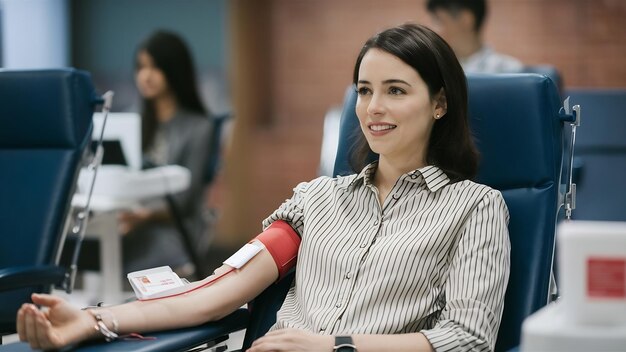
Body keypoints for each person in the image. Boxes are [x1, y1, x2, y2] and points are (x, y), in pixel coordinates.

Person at [16, 24, 510, 352]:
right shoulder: (317, 199)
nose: (372, 108)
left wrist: (334, 344)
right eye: (364, 91)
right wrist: (95, 319)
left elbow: (466, 338)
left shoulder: (475, 208)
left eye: (395, 91)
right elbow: (217, 294)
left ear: (440, 104)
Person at [119, 30, 213, 275]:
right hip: (129, 220)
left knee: (121, 257)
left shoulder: (198, 127)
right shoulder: (130, 120)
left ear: (174, 71)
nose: (145, 76)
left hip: (171, 228)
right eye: (140, 67)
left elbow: (186, 200)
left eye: (155, 68)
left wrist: (144, 216)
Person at [427, 0, 524, 73]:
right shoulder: (436, 69)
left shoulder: (508, 69)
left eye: (438, 21)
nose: (433, 30)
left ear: (466, 20)